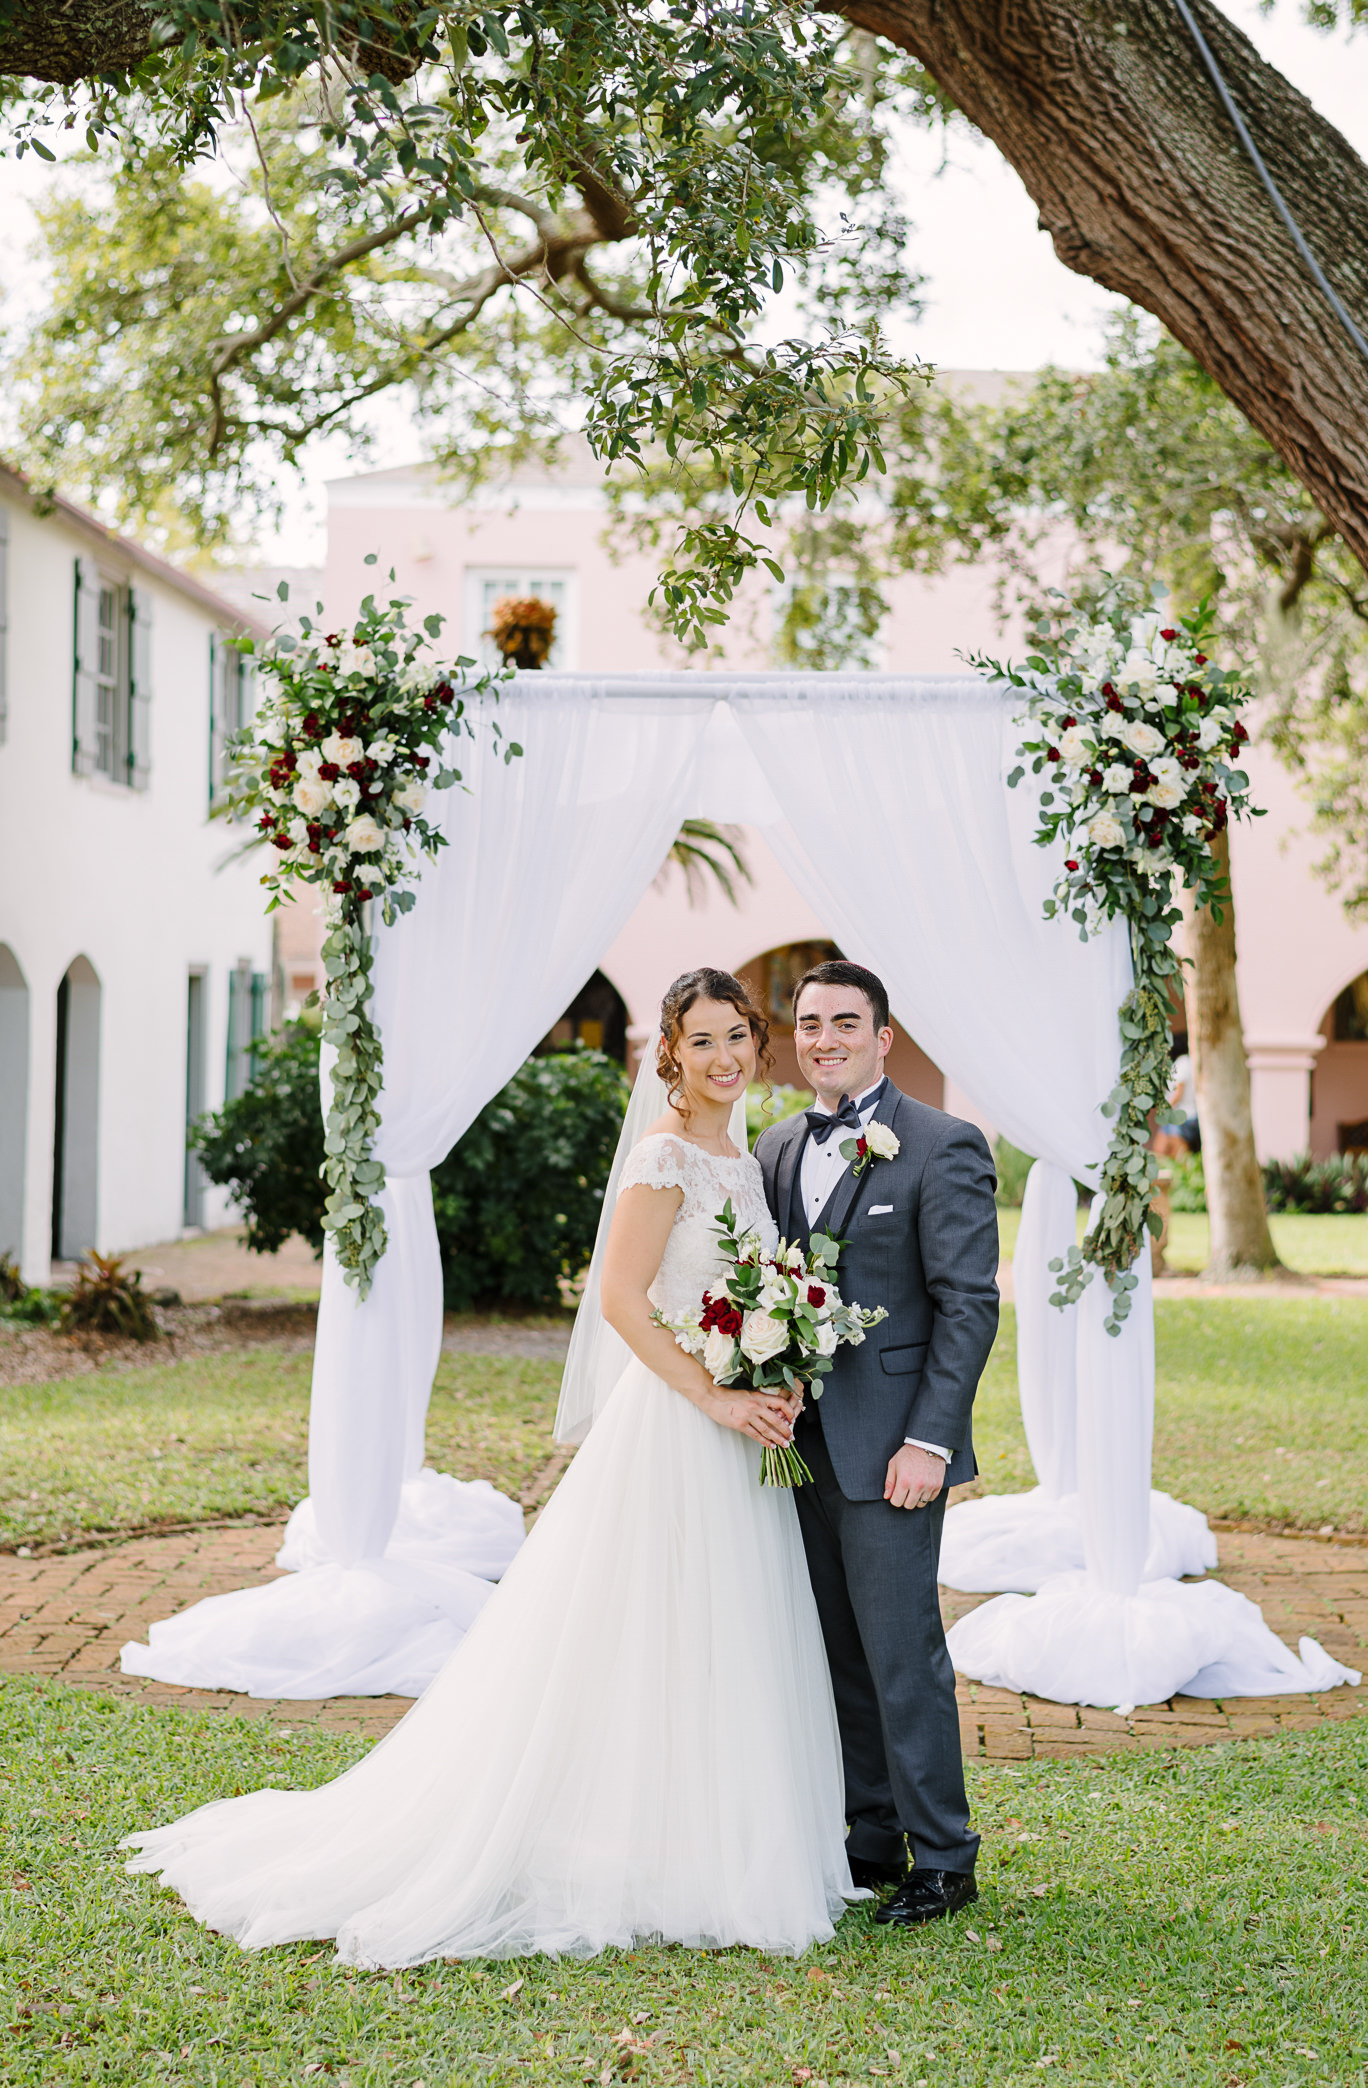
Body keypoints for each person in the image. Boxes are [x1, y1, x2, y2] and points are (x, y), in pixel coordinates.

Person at [124, 968, 857, 1965]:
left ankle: (701, 1831)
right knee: (641, 1628)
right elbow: (623, 1303)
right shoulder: (663, 1157)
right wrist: (716, 1393)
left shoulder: (738, 1152)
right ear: (670, 1052)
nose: (726, 1056)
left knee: (720, 1631)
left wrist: (777, 1367)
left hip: (740, 1437)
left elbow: (750, 1291)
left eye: (739, 1035)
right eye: (704, 1039)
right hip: (678, 1429)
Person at [755, 959, 999, 1929]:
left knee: (903, 1654)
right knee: (836, 1653)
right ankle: (871, 1836)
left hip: (895, 1447)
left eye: (844, 1023)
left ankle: (945, 1858)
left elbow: (967, 1305)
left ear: (883, 1037)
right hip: (795, 1449)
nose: (824, 1039)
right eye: (810, 1024)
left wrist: (931, 1442)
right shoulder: (774, 1148)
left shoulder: (944, 1146)